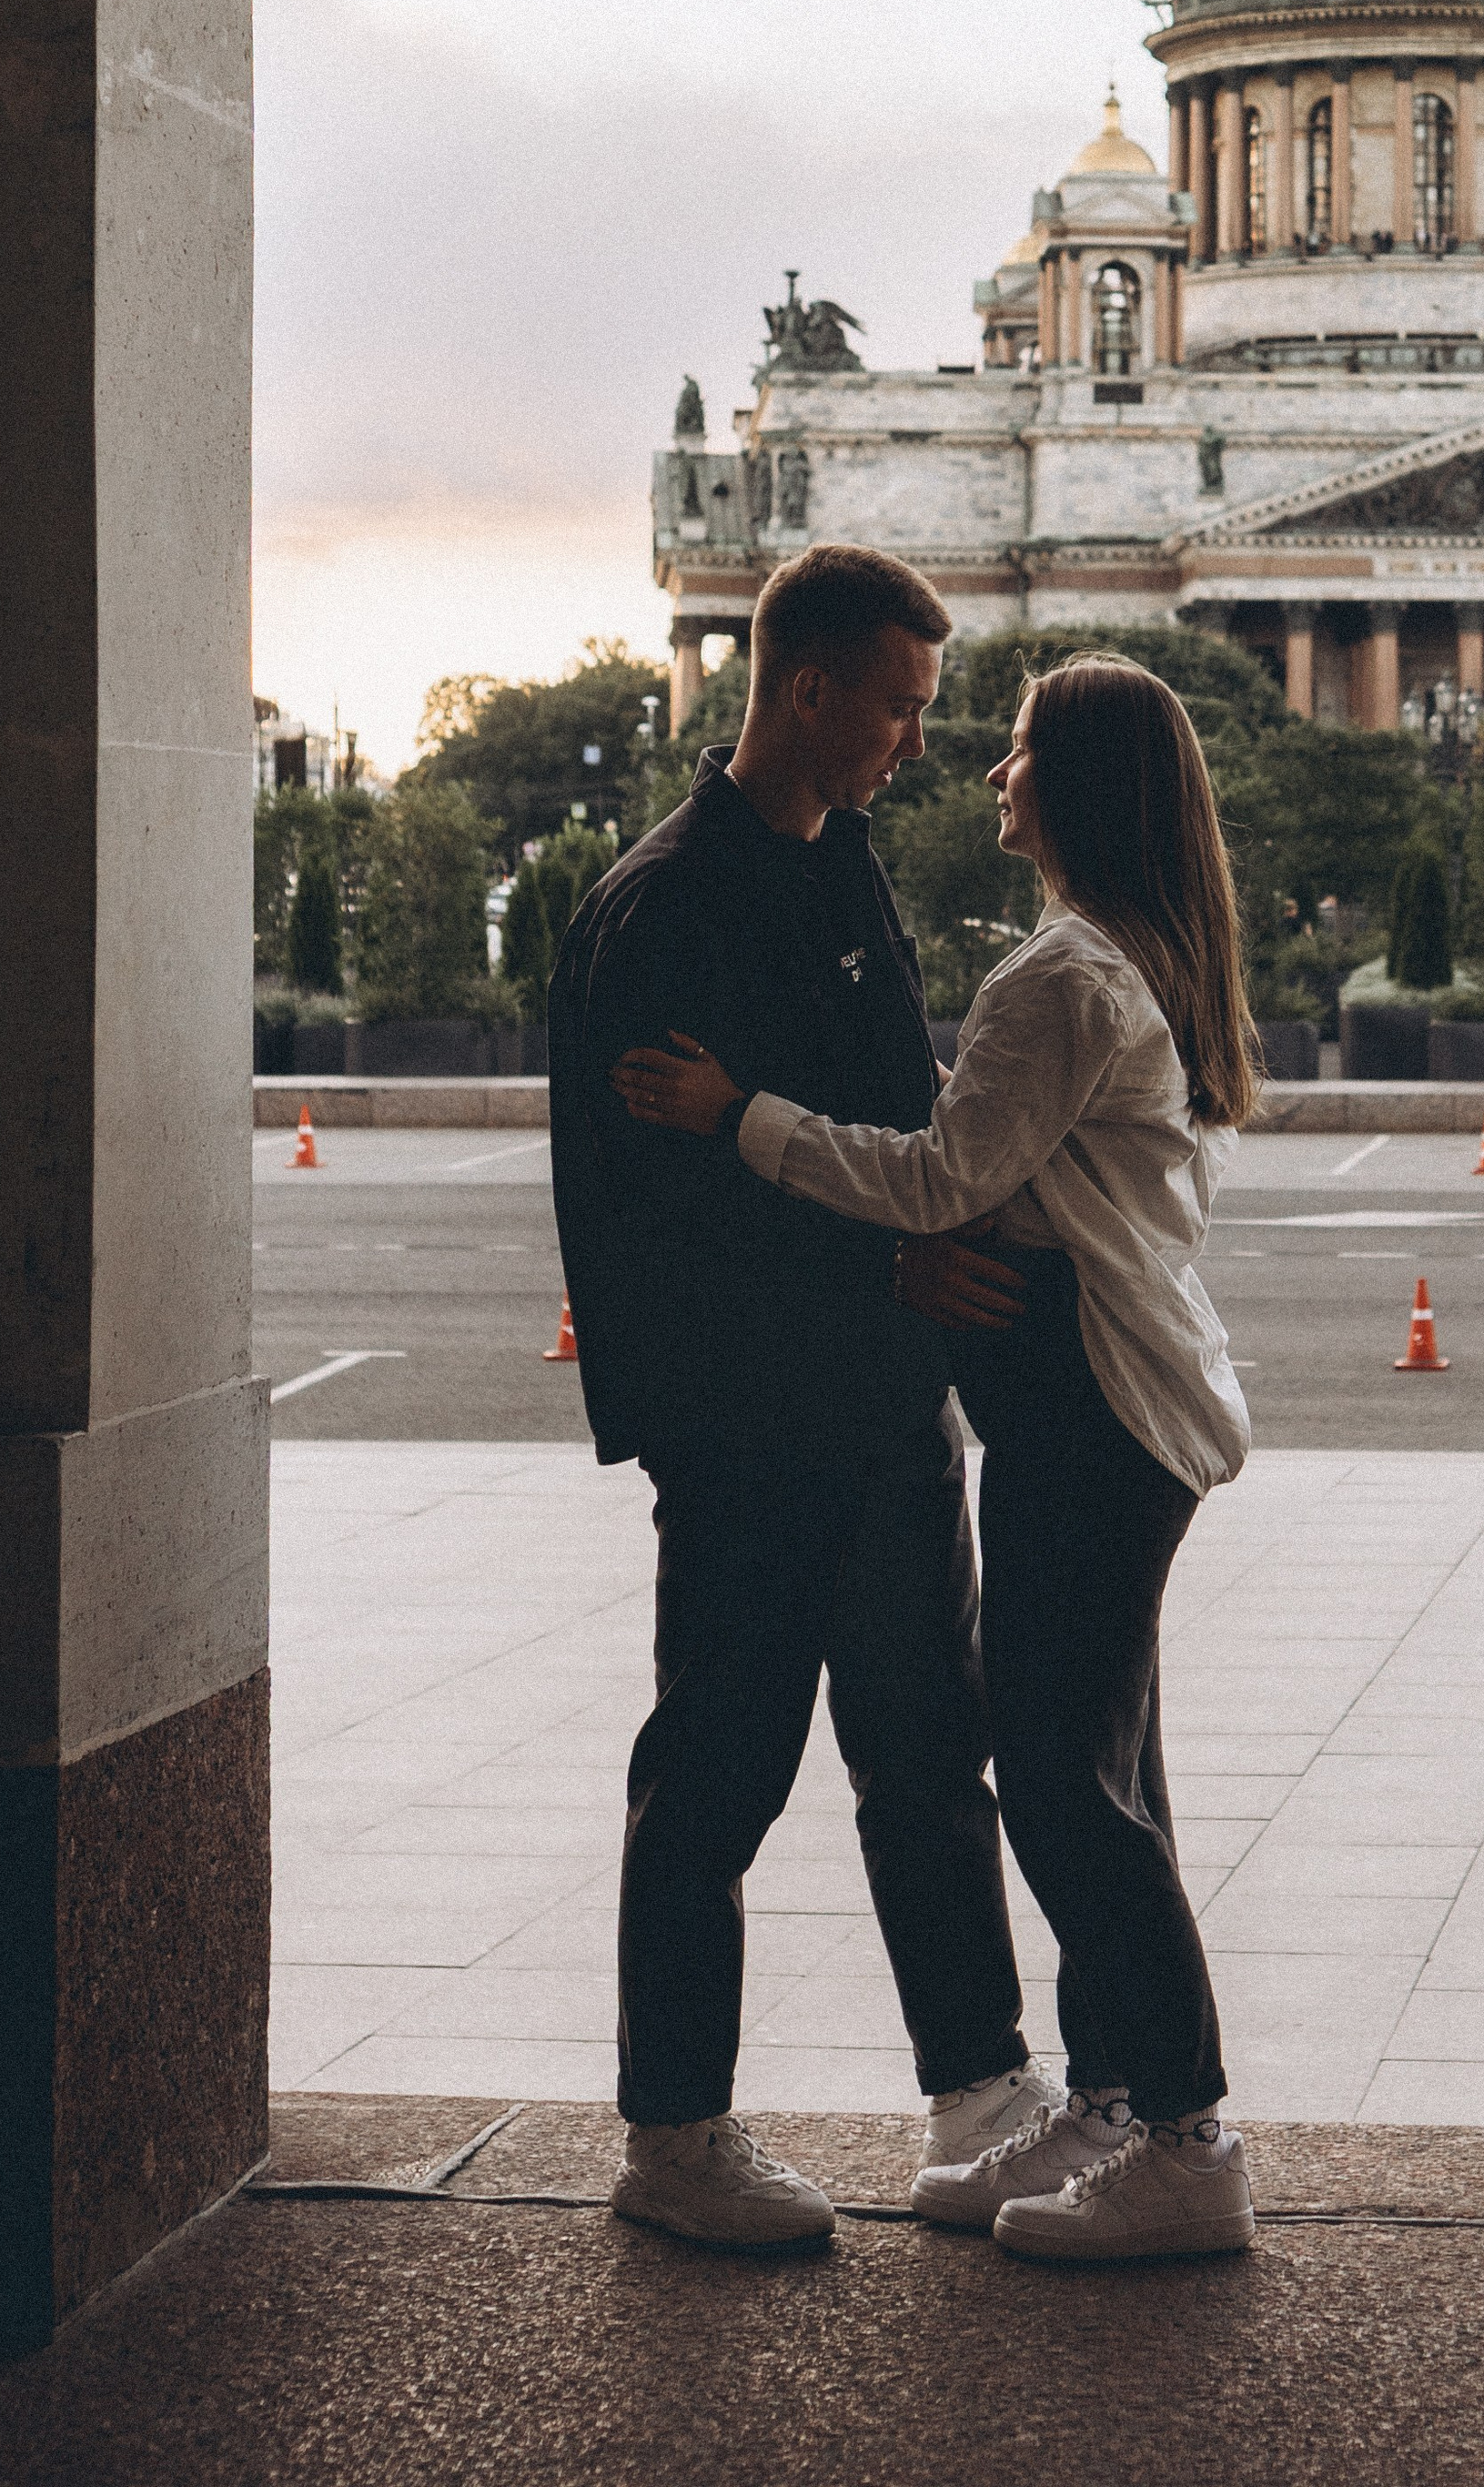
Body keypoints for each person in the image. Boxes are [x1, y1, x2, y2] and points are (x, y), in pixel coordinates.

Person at [618, 652, 1258, 2265]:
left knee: (1058, 1780)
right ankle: (1113, 2100)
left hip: (1088, 1416)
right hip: (1108, 1411)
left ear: (1081, 788)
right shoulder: (1130, 955)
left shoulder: (1059, 978)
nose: (983, 765)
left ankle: (1185, 2135)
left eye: (1022, 745)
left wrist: (735, 1113)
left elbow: (933, 1176)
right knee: (1101, 1769)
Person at [549, 546, 1058, 2253]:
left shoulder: (844, 866)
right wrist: (892, 1271)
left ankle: (984, 2101)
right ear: (808, 687)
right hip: (751, 1427)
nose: (916, 744)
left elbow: (879, 1115)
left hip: (885, 1415)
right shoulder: (667, 904)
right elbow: (657, 1209)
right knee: (720, 1770)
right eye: (901, 708)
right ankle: (673, 2131)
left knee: (929, 1760)